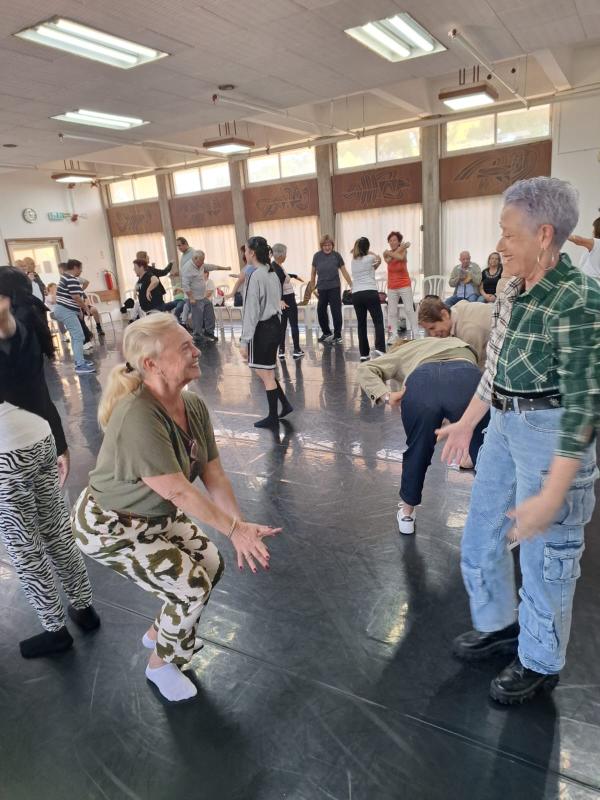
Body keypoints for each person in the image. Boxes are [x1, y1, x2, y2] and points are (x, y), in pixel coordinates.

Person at [437, 176, 600, 705]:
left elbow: (584, 407)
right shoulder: (510, 288)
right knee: (482, 533)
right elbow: (496, 367)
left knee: (547, 555)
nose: (500, 245)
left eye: (509, 234)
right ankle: (501, 625)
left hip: (551, 433)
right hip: (504, 426)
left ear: (544, 234)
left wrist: (552, 495)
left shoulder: (579, 299)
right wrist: (468, 422)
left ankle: (539, 661)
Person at [71, 313, 280, 702]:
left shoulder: (192, 405)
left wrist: (239, 526)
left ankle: (160, 633)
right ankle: (161, 664)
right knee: (191, 588)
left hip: (155, 516)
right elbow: (179, 492)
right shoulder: (137, 415)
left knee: (211, 564)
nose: (197, 351)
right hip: (110, 526)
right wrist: (234, 531)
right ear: (151, 364)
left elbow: (213, 473)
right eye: (185, 347)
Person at [0, 271, 100, 659]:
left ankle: (55, 629)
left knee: (25, 547)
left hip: (8, 456)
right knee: (57, 532)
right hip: (41, 441)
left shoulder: (13, 327)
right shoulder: (29, 328)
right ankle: (84, 609)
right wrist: (60, 445)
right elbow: (40, 393)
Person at [358, 337, 488, 535]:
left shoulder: (400, 352)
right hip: (466, 376)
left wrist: (387, 396)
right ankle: (498, 514)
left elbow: (365, 369)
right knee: (484, 448)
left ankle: (407, 514)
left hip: (421, 382)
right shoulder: (453, 341)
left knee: (417, 449)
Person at [240, 236, 292, 428]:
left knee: (265, 373)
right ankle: (285, 404)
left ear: (252, 253)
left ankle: (272, 417)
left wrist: (244, 340)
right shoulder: (271, 273)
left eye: (246, 251)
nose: (245, 254)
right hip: (275, 325)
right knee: (266, 370)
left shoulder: (255, 276)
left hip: (263, 329)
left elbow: (251, 310)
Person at [418, 296, 493, 368]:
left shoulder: (469, 331)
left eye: (433, 328)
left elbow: (472, 367)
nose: (432, 334)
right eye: (428, 330)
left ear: (444, 314)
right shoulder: (455, 310)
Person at [53, 259, 95, 374]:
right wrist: (85, 308)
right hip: (65, 310)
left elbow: (72, 298)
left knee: (75, 336)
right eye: (80, 269)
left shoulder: (66, 277)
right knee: (78, 336)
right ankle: (80, 365)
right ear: (75, 268)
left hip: (66, 309)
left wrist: (78, 310)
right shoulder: (71, 279)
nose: (81, 271)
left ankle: (79, 361)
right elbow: (76, 297)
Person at [309, 234, 353, 345]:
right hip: (321, 288)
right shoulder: (317, 256)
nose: (327, 247)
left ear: (332, 245)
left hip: (334, 288)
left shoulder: (336, 256)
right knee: (320, 311)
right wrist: (312, 288)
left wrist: (352, 285)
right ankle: (326, 333)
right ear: (321, 246)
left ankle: (337, 335)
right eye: (325, 245)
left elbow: (344, 272)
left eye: (329, 245)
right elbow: (313, 273)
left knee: (336, 311)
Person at [350, 236, 386, 361]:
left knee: (361, 324)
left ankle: (364, 353)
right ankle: (380, 348)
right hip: (370, 292)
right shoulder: (370, 258)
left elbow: (372, 268)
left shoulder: (353, 261)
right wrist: (370, 252)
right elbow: (379, 259)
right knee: (378, 320)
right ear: (367, 247)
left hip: (357, 295)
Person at [383, 231, 418, 342]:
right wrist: (401, 247)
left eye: (395, 240)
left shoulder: (403, 251)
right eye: (390, 240)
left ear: (398, 242)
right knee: (392, 312)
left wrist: (401, 249)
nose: (392, 242)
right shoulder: (386, 253)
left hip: (404, 285)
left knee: (409, 309)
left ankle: (416, 333)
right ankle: (393, 334)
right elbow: (388, 260)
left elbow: (400, 258)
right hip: (391, 287)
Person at [271, 243, 304, 361]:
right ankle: (296, 350)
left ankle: (281, 350)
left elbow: (283, 277)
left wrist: (294, 276)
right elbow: (279, 283)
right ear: (281, 255)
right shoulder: (276, 267)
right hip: (287, 298)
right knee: (293, 324)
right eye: (285, 254)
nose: (286, 256)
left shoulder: (276, 266)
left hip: (284, 299)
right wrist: (280, 299)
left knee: (283, 325)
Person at [181, 250, 218, 344]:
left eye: (203, 261)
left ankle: (209, 332)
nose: (202, 263)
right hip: (193, 297)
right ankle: (197, 335)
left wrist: (224, 268)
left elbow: (210, 266)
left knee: (209, 310)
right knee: (197, 317)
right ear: (195, 258)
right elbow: (185, 285)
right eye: (201, 261)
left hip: (201, 297)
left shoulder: (200, 264)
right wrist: (191, 298)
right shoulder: (187, 268)